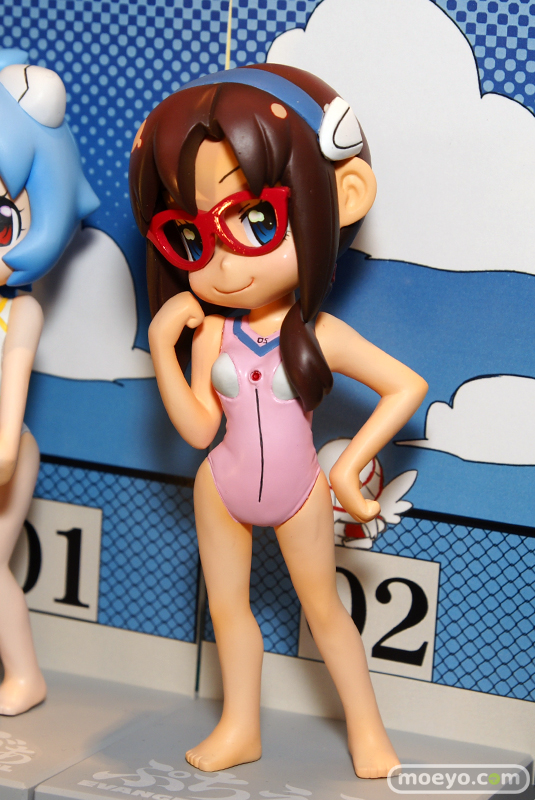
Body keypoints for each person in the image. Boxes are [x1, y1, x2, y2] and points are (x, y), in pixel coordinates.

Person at [130, 64, 427, 778]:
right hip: (221, 489)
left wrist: (348, 470)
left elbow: (405, 387)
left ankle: (368, 734)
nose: (221, 263)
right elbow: (198, 430)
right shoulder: (212, 334)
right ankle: (240, 726)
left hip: (298, 495)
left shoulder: (319, 335)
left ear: (335, 201)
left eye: (255, 221)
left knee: (324, 613)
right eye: (190, 236)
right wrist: (166, 348)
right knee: (229, 611)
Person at [0, 49, 98, 715]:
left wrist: (5, 452)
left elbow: (12, 387)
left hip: (6, 452)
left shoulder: (20, 309)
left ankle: (25, 675)